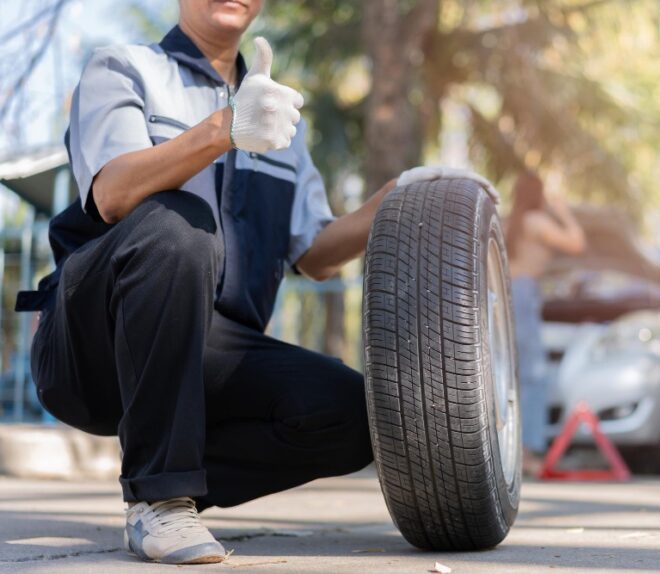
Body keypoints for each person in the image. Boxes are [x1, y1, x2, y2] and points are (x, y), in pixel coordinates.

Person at [15, 0, 496, 565]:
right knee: (177, 226)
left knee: (352, 414)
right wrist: (225, 129)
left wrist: (401, 198)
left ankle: (172, 474)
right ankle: (160, 499)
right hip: (91, 340)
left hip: (208, 351)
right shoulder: (123, 67)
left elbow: (315, 254)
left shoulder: (282, 115)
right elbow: (113, 193)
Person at [505, 171, 586, 476]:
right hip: (523, 292)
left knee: (509, 372)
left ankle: (512, 451)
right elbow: (576, 242)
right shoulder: (536, 221)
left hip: (505, 292)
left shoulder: (511, 223)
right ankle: (528, 453)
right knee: (534, 375)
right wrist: (563, 211)